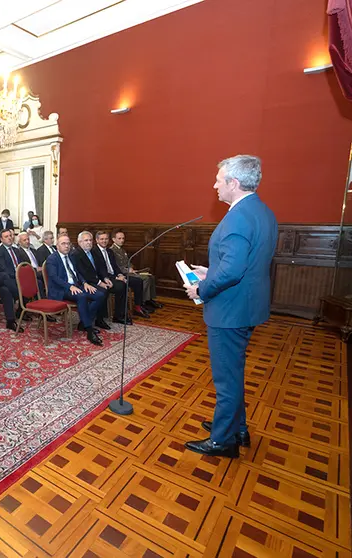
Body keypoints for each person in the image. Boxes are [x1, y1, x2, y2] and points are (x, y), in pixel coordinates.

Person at [183, 155, 278, 458]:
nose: (214, 185)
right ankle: (236, 427)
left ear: (233, 183)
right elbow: (245, 265)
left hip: (229, 310)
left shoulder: (237, 217)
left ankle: (222, 440)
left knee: (226, 377)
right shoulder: (262, 212)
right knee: (233, 372)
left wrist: (201, 287)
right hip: (246, 305)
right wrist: (211, 271)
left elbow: (233, 271)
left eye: (218, 179)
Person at [45, 234, 106, 346]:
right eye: (63, 244)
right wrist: (69, 286)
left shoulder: (71, 256)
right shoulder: (52, 259)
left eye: (68, 243)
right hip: (61, 289)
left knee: (100, 295)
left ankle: (83, 322)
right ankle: (89, 330)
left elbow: (77, 273)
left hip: (76, 285)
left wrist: (84, 283)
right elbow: (54, 278)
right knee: (81, 296)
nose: (67, 246)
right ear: (57, 246)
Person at [71, 231, 116, 330]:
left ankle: (98, 319)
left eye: (90, 240)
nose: (89, 242)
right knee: (102, 292)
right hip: (84, 282)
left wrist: (105, 278)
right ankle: (86, 321)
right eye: (86, 240)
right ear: (79, 242)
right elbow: (83, 273)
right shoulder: (76, 254)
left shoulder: (93, 251)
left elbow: (101, 267)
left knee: (106, 290)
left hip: (96, 279)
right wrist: (99, 283)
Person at [111, 230, 163, 312]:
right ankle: (143, 302)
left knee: (151, 277)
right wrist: (127, 270)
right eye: (119, 238)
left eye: (123, 238)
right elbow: (115, 266)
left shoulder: (122, 250)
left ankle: (149, 299)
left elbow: (128, 261)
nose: (122, 240)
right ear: (113, 239)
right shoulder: (112, 251)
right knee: (145, 279)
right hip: (123, 273)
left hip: (130, 271)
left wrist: (131, 267)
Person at [91, 230, 136, 324]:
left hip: (113, 276)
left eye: (106, 239)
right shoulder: (94, 252)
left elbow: (115, 266)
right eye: (102, 239)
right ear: (97, 240)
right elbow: (100, 270)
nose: (104, 241)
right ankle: (116, 316)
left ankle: (120, 315)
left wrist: (120, 274)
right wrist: (115, 278)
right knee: (121, 286)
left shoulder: (110, 251)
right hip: (103, 278)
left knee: (124, 283)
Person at [17, 231, 46, 296]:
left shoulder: (34, 251)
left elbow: (40, 262)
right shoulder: (18, 252)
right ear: (19, 242)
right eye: (24, 240)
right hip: (29, 274)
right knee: (40, 282)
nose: (27, 241)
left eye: (28, 239)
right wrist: (35, 269)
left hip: (39, 271)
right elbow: (23, 267)